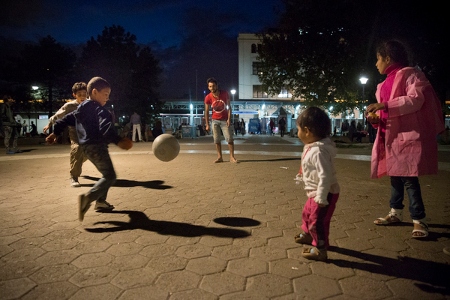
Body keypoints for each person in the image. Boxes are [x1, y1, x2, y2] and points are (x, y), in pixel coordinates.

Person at [366, 39, 445, 239]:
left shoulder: (411, 75)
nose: (376, 64)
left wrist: (384, 106)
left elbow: (416, 100)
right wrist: (375, 119)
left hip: (407, 136)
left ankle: (419, 219)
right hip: (389, 137)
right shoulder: (381, 85)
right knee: (395, 176)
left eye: (378, 59)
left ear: (388, 58)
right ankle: (395, 212)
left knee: (409, 178)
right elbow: (385, 113)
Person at [46, 77, 133, 221]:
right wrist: (119, 141)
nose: (108, 97)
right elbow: (106, 126)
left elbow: (65, 120)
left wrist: (55, 133)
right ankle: (89, 198)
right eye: (105, 94)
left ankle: (101, 202)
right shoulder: (100, 110)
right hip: (97, 147)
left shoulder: (81, 109)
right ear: (94, 92)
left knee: (106, 174)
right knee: (110, 176)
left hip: (86, 148)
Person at [293, 107, 340, 261]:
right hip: (315, 191)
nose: (297, 133)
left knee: (317, 221)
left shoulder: (319, 151)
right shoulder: (312, 147)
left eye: (298, 129)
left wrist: (321, 197)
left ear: (307, 131)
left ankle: (320, 248)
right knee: (306, 214)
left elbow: (325, 175)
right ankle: (308, 235)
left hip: (324, 193)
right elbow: (310, 167)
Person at [43, 82, 88, 187]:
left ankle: (77, 161)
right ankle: (74, 177)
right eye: (79, 94)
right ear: (74, 95)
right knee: (77, 149)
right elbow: (58, 115)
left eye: (84, 94)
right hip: (75, 131)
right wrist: (49, 124)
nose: (82, 96)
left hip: (88, 133)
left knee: (87, 153)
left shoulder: (90, 104)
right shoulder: (70, 106)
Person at [204, 77, 238, 163]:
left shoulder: (225, 93)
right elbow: (207, 111)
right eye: (210, 86)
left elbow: (229, 107)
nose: (212, 88)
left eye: (214, 86)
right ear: (208, 87)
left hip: (224, 120)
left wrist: (229, 119)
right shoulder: (208, 97)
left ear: (217, 86)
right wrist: (207, 124)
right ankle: (220, 157)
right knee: (216, 140)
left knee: (229, 138)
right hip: (214, 120)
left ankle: (232, 157)